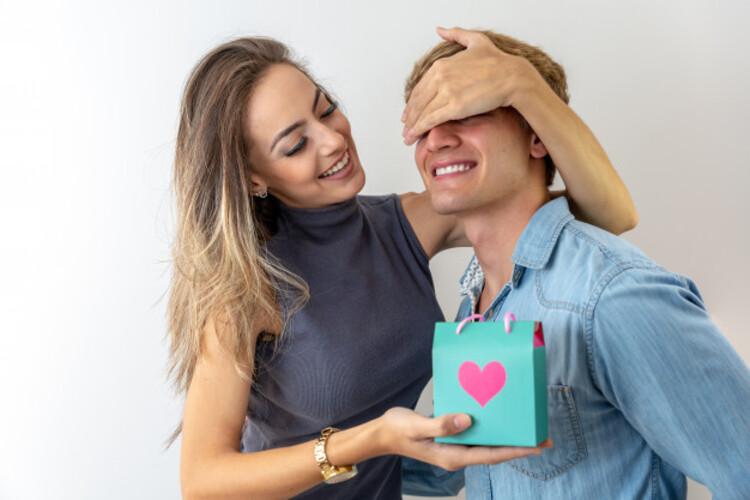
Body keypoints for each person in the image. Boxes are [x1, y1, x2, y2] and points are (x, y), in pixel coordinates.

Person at [168, 29, 636, 499]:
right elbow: (203, 482)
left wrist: (524, 85)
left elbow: (609, 214)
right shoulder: (246, 289)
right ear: (253, 179)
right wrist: (371, 440)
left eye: (326, 109)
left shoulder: (404, 225)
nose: (332, 140)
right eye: (295, 145)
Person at [403, 29, 750, 499]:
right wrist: (337, 451)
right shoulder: (476, 307)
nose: (436, 140)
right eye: (422, 125)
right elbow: (462, 459)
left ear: (538, 137)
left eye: (465, 113)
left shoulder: (613, 296)